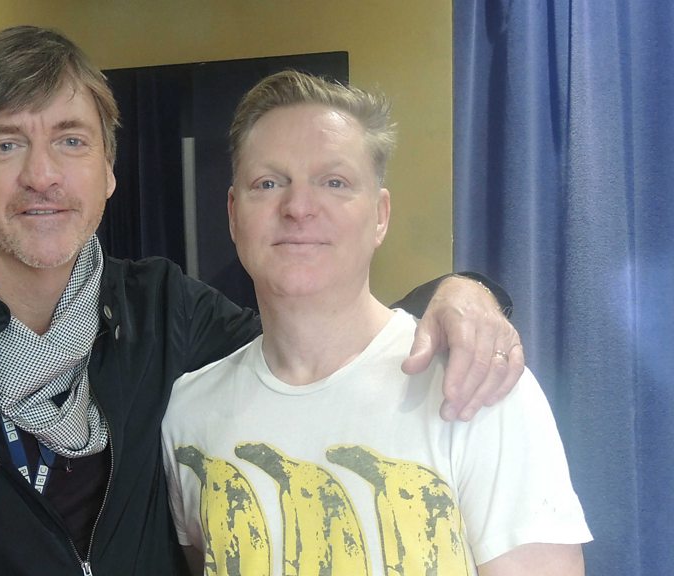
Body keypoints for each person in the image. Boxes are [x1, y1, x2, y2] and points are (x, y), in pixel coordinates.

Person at [0, 27, 524, 575]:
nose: (42, 175)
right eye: (6, 143)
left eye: (71, 140)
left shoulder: (167, 312)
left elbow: (320, 344)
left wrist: (463, 294)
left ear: (109, 171)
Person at [162, 71, 591, 576]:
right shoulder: (188, 411)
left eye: (335, 182)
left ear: (380, 215)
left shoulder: (475, 386)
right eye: (269, 183)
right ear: (234, 215)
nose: (298, 208)